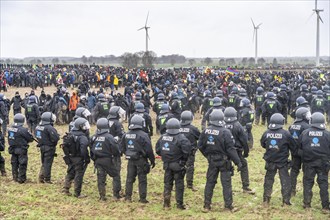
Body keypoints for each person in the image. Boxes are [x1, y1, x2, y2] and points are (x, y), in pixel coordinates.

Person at [198, 109, 242, 212]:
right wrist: (238, 162)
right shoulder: (225, 132)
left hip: (212, 161)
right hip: (224, 162)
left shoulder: (206, 131)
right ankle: (228, 206)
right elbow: (231, 149)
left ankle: (206, 206)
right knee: (226, 184)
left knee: (210, 183)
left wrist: (207, 156)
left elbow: (200, 146)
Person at [260, 113, 297, 207]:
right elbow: (293, 146)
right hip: (282, 162)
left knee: (268, 180)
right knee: (285, 181)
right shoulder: (286, 134)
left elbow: (263, 144)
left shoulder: (266, 132)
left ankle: (266, 200)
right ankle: (286, 201)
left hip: (270, 161)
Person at [156, 118, 191, 210]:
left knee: (167, 184)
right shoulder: (182, 138)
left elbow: (158, 150)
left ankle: (166, 204)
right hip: (178, 165)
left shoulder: (162, 137)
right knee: (179, 184)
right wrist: (183, 161)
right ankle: (179, 205)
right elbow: (187, 152)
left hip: (167, 164)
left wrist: (166, 157)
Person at [298, 112, 330, 212]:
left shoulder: (305, 133)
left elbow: (300, 149)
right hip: (323, 163)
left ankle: (307, 204)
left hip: (308, 163)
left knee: (307, 182)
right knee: (323, 184)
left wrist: (305, 158)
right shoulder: (327, 134)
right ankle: (325, 207)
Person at [122, 115, 155, 203]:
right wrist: (152, 160)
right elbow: (149, 149)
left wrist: (129, 153)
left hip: (130, 160)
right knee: (142, 179)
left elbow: (122, 147)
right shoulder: (144, 135)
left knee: (129, 178)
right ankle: (142, 199)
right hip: (141, 160)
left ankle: (128, 197)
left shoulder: (126, 134)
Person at [224, 107, 254, 194]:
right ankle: (245, 187)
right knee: (243, 165)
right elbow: (244, 141)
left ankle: (228, 190)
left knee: (226, 169)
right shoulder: (238, 125)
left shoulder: (222, 125)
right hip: (237, 151)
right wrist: (246, 152)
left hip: (225, 151)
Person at [90, 118, 121, 201]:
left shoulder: (93, 137)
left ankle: (102, 196)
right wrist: (116, 155)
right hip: (108, 160)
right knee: (116, 175)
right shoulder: (109, 137)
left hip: (98, 160)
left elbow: (91, 149)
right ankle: (116, 195)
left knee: (100, 178)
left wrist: (94, 159)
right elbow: (115, 149)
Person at [62, 118, 90, 198]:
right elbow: (84, 148)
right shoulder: (82, 137)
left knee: (70, 172)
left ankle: (66, 188)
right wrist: (86, 158)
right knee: (79, 174)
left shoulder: (70, 134)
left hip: (70, 157)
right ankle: (77, 193)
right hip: (79, 158)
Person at [288, 107, 311, 196]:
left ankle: (292, 190)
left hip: (294, 152)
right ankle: (306, 192)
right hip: (305, 152)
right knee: (306, 172)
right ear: (303, 115)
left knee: (294, 171)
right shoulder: (307, 126)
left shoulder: (291, 126)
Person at [7, 114, 34, 183]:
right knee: (22, 163)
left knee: (14, 163)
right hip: (21, 149)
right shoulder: (23, 130)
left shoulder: (10, 128)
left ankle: (15, 177)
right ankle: (21, 179)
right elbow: (30, 138)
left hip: (12, 148)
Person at [35, 112, 60, 183]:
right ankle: (47, 179)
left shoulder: (38, 126)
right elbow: (55, 138)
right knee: (48, 163)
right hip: (49, 148)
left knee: (44, 162)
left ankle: (41, 177)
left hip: (42, 147)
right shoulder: (49, 128)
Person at [179, 111, 200, 191]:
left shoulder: (177, 127)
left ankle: (178, 184)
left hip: (179, 152)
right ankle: (189, 185)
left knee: (179, 168)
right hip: (190, 152)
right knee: (190, 167)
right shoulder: (193, 129)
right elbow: (199, 137)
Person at [107, 106, 125, 200]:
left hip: (105, 151)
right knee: (116, 172)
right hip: (115, 151)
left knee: (102, 173)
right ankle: (116, 193)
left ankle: (102, 194)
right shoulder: (118, 124)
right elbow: (122, 136)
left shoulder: (104, 121)